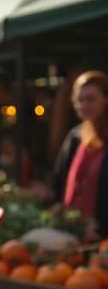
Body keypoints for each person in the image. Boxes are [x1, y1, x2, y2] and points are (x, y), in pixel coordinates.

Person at [53, 70, 108, 240]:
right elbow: (60, 179)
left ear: (106, 99)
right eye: (80, 100)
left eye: (91, 99)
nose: (84, 105)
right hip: (74, 231)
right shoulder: (76, 137)